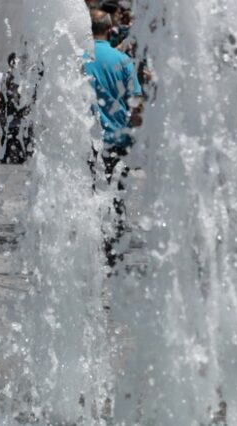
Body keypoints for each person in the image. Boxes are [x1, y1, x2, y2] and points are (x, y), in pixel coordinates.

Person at [85, 9, 142, 268]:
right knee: (116, 197)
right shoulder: (123, 61)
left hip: (88, 143)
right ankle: (112, 250)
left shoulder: (79, 60)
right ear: (110, 30)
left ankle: (91, 246)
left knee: (90, 195)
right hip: (118, 141)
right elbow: (136, 103)